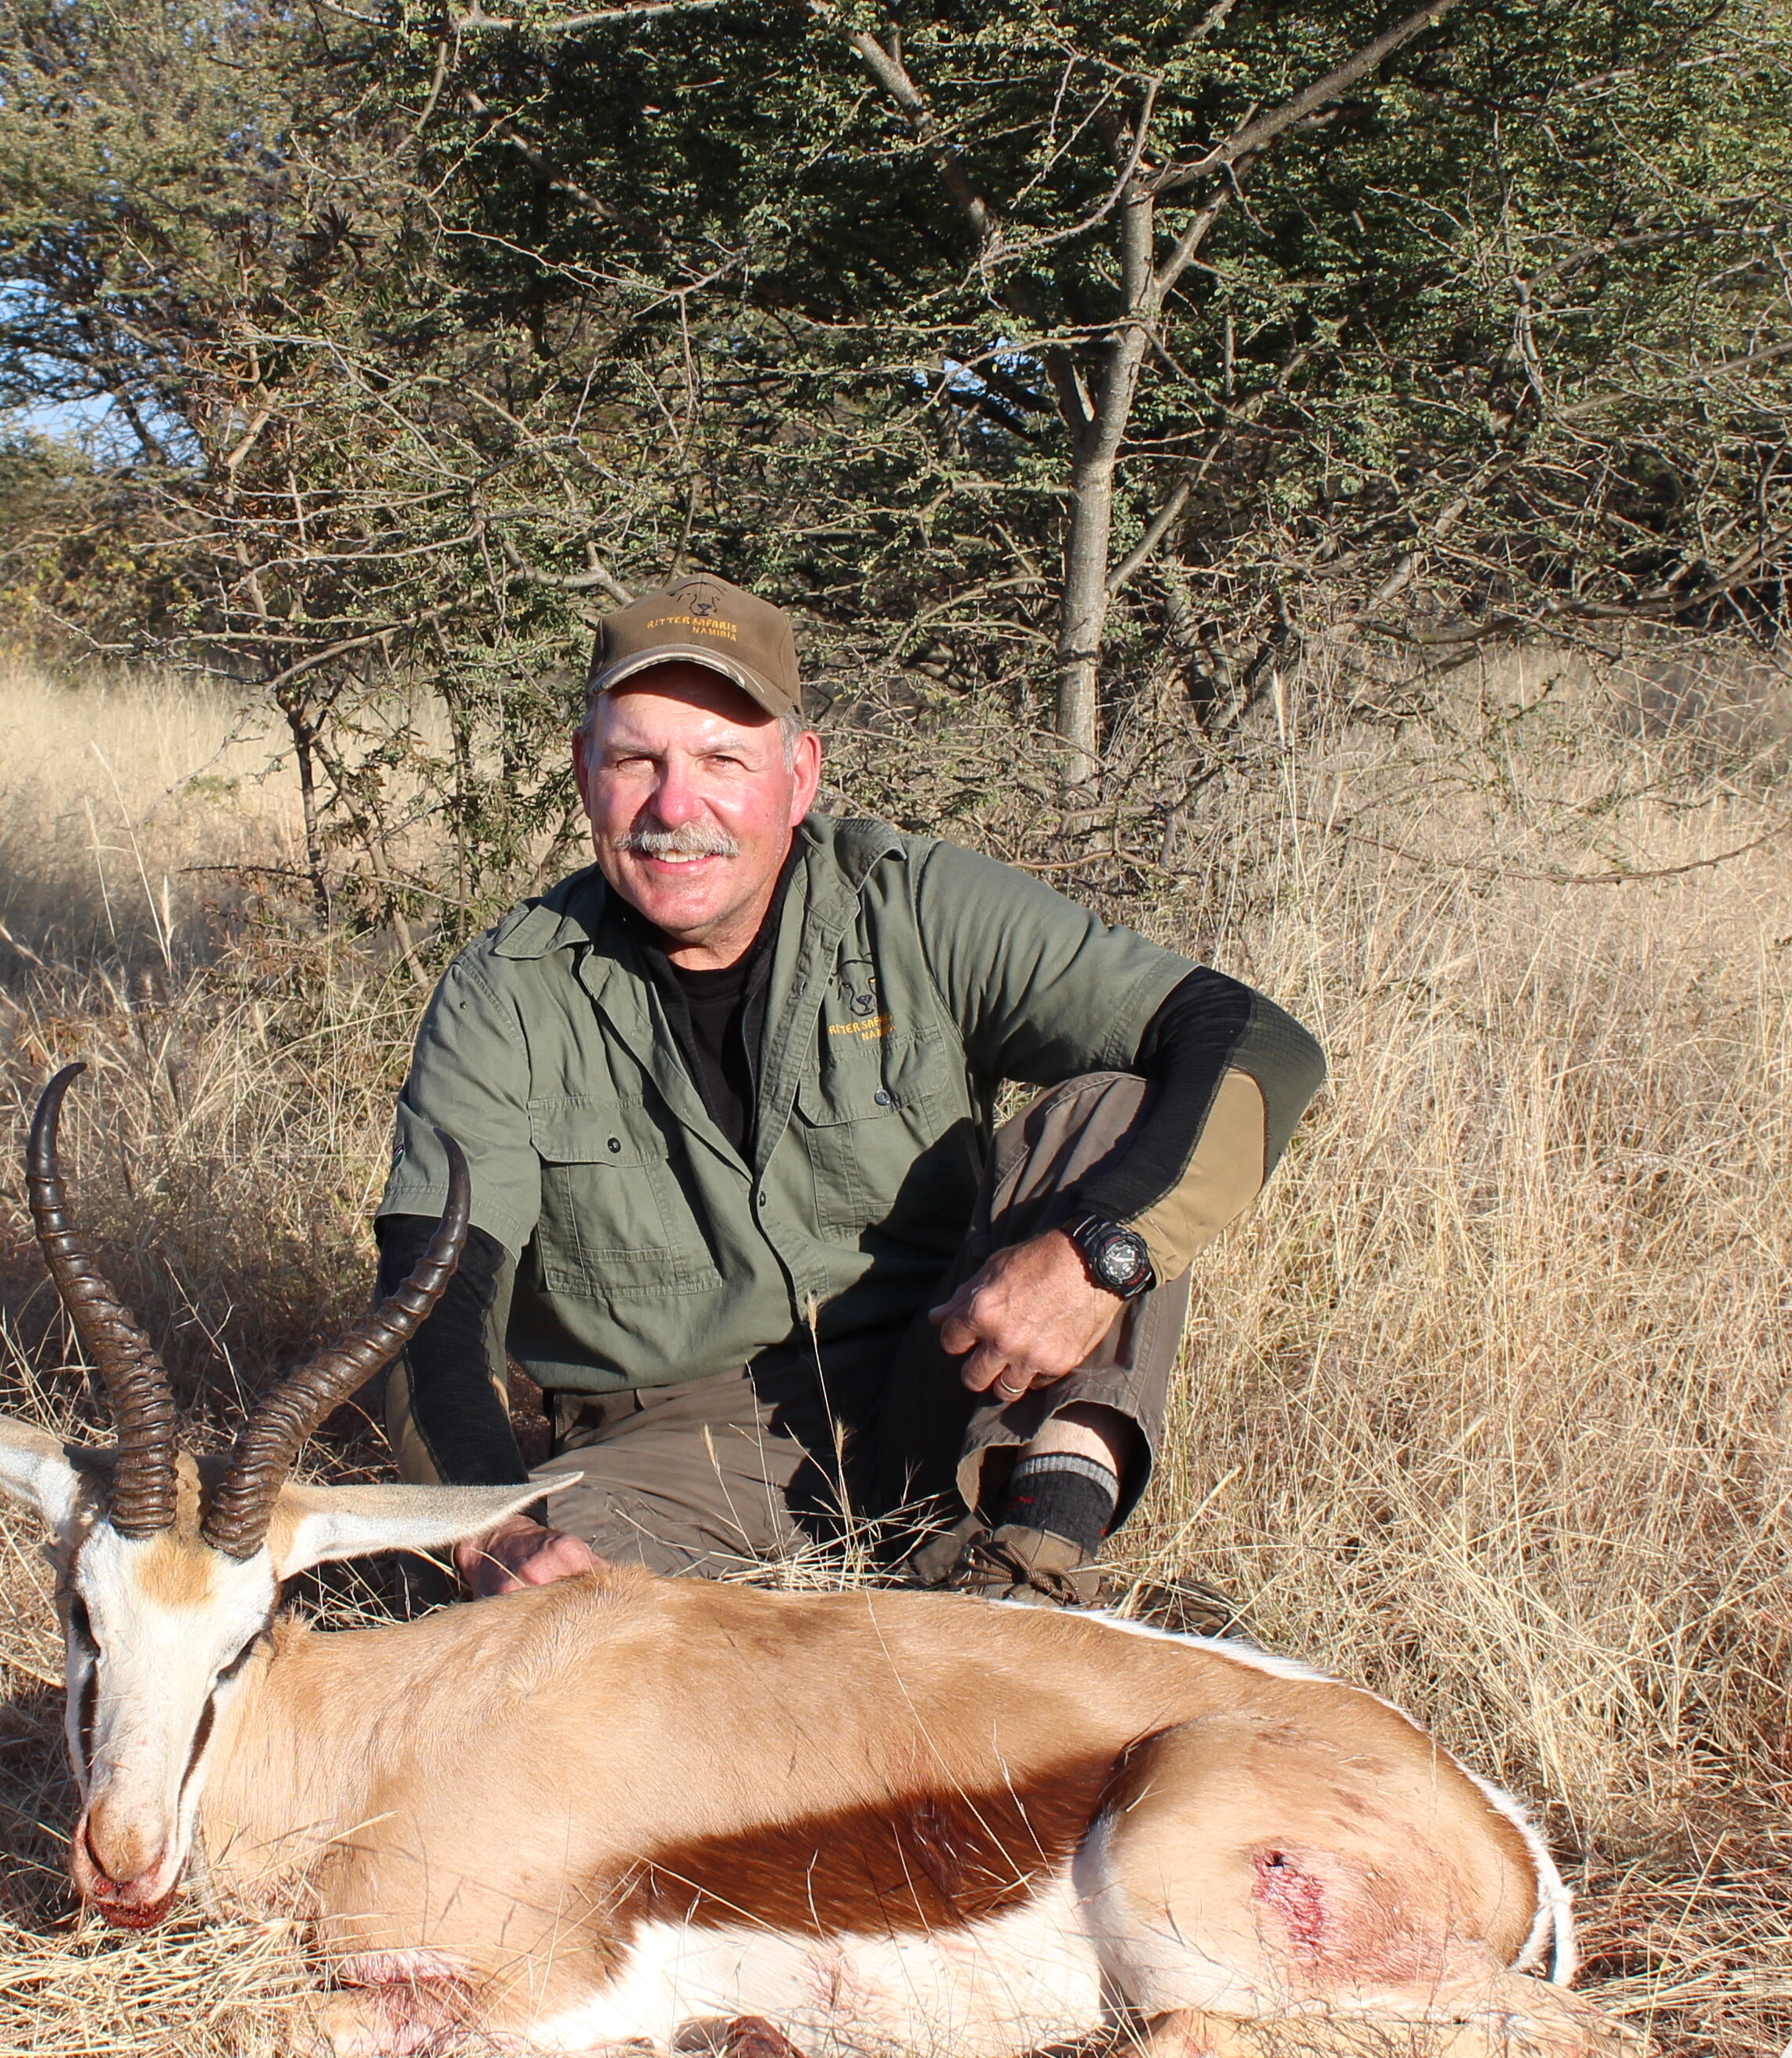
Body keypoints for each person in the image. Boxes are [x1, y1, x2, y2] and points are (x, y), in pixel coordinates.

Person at [367, 575, 1324, 1606]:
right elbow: (432, 1299)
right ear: (584, 773)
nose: (674, 807)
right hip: (667, 1455)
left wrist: (1098, 1257)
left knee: (1118, 1116)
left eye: (723, 760)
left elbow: (1252, 1040)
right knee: (534, 1636)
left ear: (799, 775)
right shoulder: (505, 991)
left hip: (953, 1369)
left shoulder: (910, 900)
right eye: (635, 760)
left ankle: (1033, 1573)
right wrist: (490, 1526)